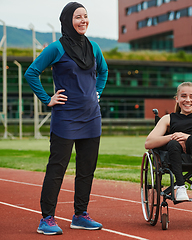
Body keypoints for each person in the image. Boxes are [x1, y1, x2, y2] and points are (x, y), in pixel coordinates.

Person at [24, 2, 108, 235]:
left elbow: (104, 71)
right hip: (66, 118)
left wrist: (97, 93)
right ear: (67, 20)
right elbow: (31, 72)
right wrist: (46, 98)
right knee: (57, 168)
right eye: (77, 17)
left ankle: (80, 215)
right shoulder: (56, 48)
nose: (83, 21)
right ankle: (47, 219)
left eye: (85, 16)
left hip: (92, 117)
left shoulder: (94, 47)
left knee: (86, 169)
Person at [145, 82, 192, 201]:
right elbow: (148, 143)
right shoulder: (168, 118)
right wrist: (173, 136)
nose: (188, 100)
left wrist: (188, 137)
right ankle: (180, 186)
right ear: (177, 99)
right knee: (173, 143)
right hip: (175, 155)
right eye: (183, 96)